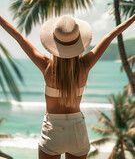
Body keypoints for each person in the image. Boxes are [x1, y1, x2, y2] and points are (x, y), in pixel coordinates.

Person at [0, 14, 135, 159]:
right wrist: (133, 17)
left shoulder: (46, 66)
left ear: (54, 43)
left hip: (52, 130)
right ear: (78, 43)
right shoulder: (84, 65)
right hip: (77, 131)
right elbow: (110, 35)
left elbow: (18, 36)